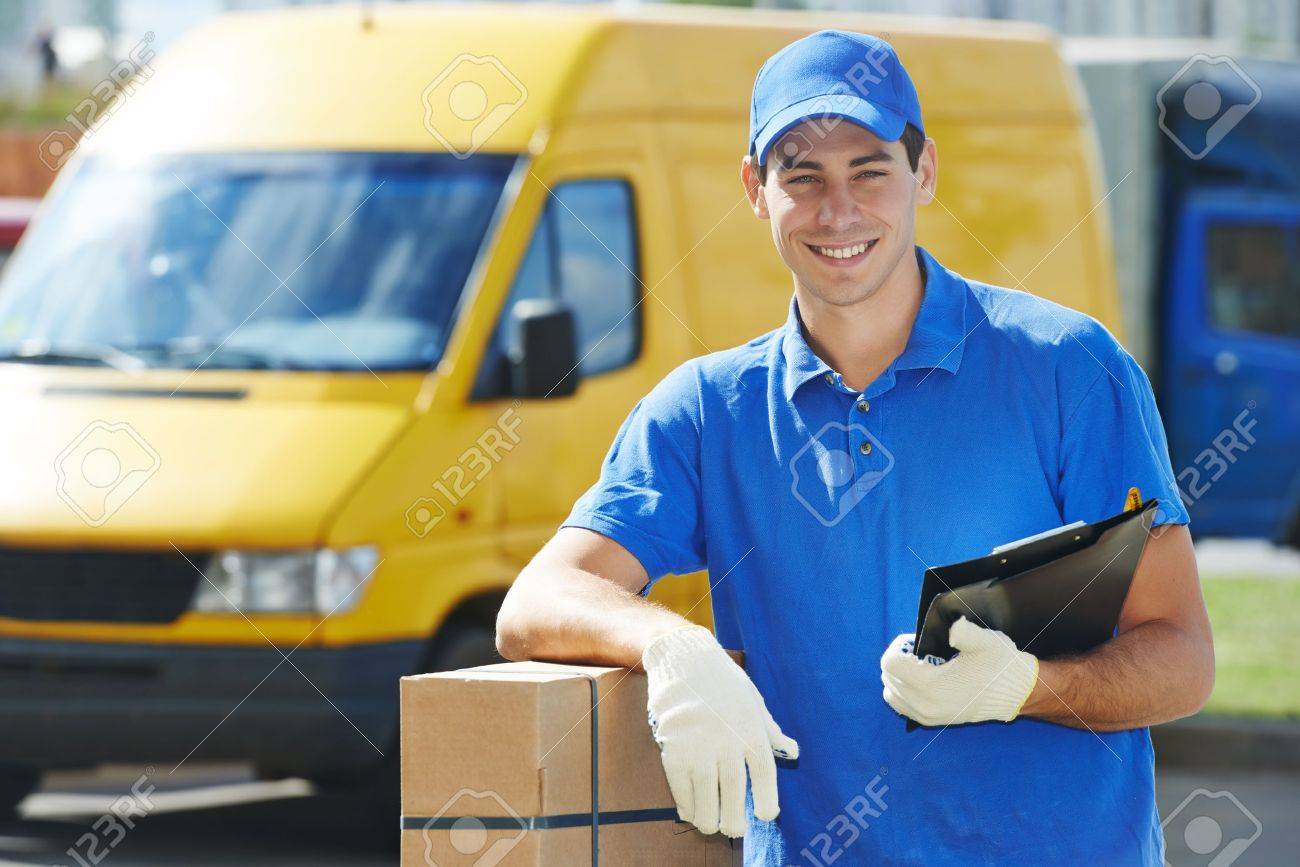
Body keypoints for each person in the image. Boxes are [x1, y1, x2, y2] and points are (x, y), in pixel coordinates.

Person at [496, 29, 1213, 866]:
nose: (838, 209)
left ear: (925, 172)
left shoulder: (1068, 369)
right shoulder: (706, 411)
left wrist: (1026, 687)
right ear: (755, 192)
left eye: (869, 169)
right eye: (802, 175)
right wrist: (672, 645)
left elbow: (1182, 656)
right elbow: (538, 600)